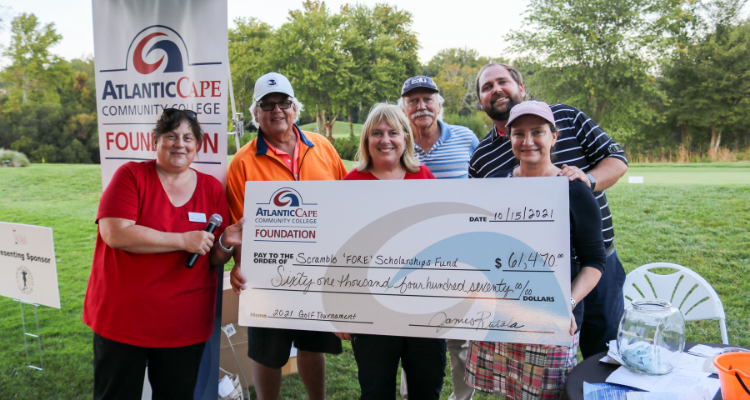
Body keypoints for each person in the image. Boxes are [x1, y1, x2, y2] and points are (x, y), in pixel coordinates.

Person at [468, 62, 628, 358]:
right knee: (541, 366)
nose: (496, 90)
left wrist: (587, 182)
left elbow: (616, 159)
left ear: (521, 88)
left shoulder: (566, 117)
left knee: (603, 355)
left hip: (595, 265)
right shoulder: (481, 156)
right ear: (480, 100)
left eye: (503, 81)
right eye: (487, 87)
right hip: (531, 278)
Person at [83, 108, 244, 399]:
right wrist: (182, 240)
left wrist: (226, 243)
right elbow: (115, 233)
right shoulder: (131, 176)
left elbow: (213, 258)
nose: (179, 144)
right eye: (171, 136)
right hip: (124, 320)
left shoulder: (210, 187)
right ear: (155, 141)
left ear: (198, 145)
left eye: (188, 138)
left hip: (184, 324)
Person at [465, 100, 606, 399]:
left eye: (538, 132)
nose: (528, 141)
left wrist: (566, 302)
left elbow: (595, 262)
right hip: (501, 314)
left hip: (551, 317)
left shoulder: (574, 189)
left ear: (554, 136)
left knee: (548, 394)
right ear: (509, 137)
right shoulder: (495, 184)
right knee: (511, 390)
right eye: (519, 133)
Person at [226, 72, 347, 400]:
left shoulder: (321, 146)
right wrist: (239, 265)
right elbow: (238, 224)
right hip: (267, 274)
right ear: (256, 112)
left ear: (295, 108)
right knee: (268, 352)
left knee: (312, 344)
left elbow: (346, 199)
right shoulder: (241, 163)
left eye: (284, 102)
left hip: (317, 269)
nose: (276, 109)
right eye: (267, 104)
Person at [337, 103, 446, 400]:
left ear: (406, 139)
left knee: (427, 387)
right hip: (372, 308)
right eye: (377, 133)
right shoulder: (350, 184)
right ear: (366, 141)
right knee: (375, 390)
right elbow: (339, 252)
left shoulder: (424, 177)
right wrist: (341, 311)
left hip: (423, 307)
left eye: (393, 132)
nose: (385, 139)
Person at [398, 75, 478, 400]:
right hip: (409, 256)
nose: (421, 106)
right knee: (410, 331)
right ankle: (412, 393)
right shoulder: (393, 139)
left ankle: (462, 398)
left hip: (458, 255)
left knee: (459, 337)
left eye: (427, 99)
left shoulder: (465, 137)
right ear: (403, 108)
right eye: (413, 101)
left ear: (439, 104)